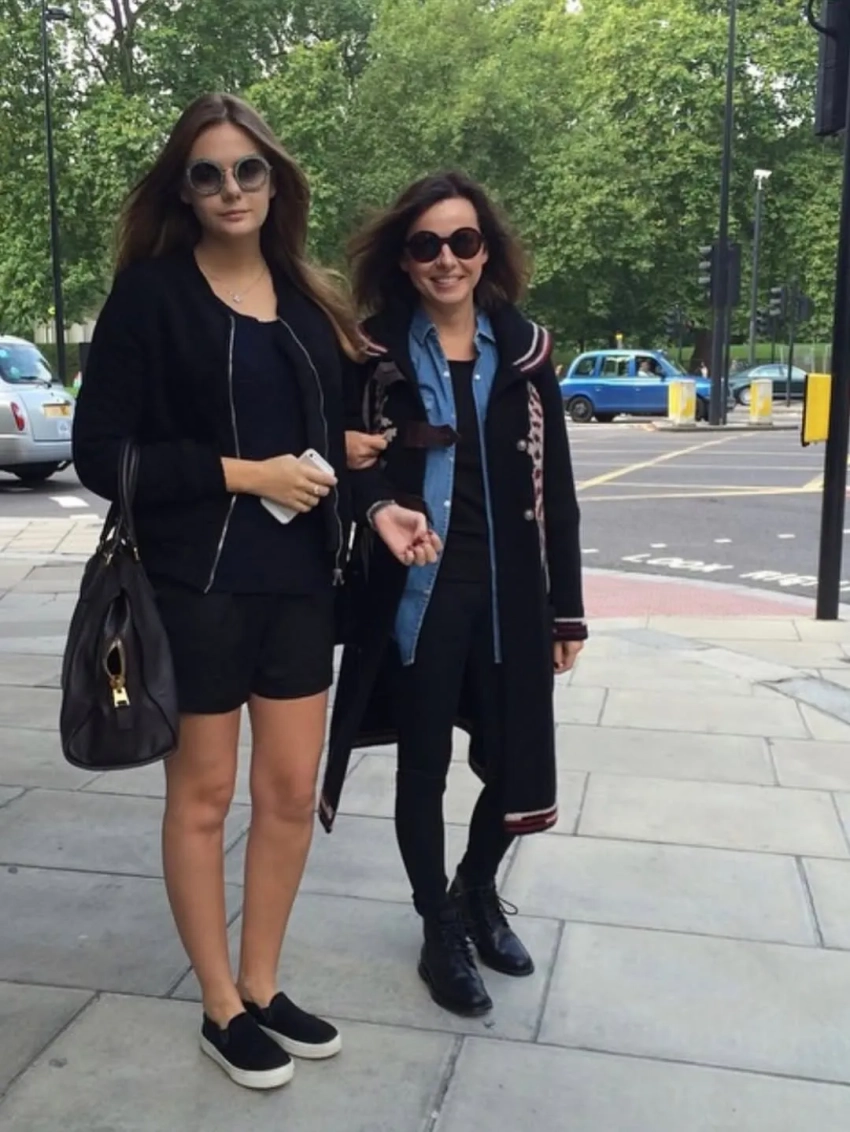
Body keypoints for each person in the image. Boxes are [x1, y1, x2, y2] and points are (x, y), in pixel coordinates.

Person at [72, 92, 431, 1089]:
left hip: (299, 585)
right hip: (195, 586)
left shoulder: (307, 301)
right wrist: (244, 473)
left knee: (287, 793)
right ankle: (220, 1004)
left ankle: (263, 984)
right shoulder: (151, 296)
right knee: (204, 796)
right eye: (208, 174)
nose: (231, 189)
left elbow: (320, 447)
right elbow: (103, 454)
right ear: (183, 191)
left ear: (276, 182)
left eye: (248, 171)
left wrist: (374, 500)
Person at [321, 171, 587, 1018]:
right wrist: (375, 502)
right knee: (424, 766)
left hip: (513, 596)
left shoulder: (528, 353)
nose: (447, 259)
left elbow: (558, 492)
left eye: (463, 241)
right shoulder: (369, 355)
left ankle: (475, 890)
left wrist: (568, 609)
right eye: (427, 244)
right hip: (420, 595)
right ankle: (437, 925)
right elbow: (339, 463)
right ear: (404, 259)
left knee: (513, 762)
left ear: (486, 252)